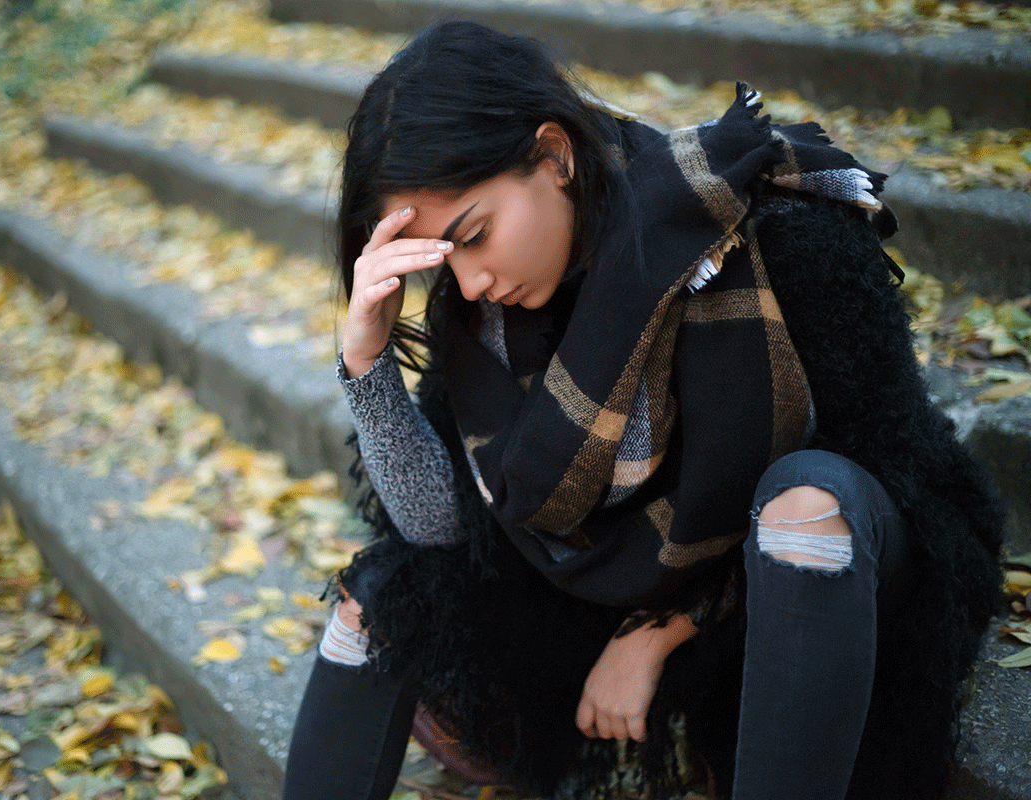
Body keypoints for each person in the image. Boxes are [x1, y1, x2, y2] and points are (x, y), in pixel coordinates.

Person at [282, 20, 1006, 800]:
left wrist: (662, 630)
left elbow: (894, 471)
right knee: (378, 595)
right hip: (604, 593)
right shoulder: (485, 321)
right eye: (441, 259)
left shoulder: (771, 231)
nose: (470, 281)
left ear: (555, 156)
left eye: (476, 236)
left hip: (806, 586)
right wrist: (366, 362)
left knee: (807, 496)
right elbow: (441, 530)